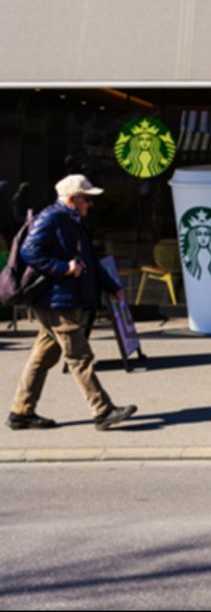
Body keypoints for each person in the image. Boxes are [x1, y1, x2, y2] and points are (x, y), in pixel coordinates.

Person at [6, 174, 137, 432]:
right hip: (56, 301)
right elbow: (29, 252)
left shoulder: (72, 220)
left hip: (62, 299)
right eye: (87, 199)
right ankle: (103, 411)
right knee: (80, 357)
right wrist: (64, 267)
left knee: (42, 358)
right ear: (72, 199)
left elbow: (88, 258)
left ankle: (21, 412)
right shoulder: (52, 218)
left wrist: (111, 287)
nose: (91, 204)